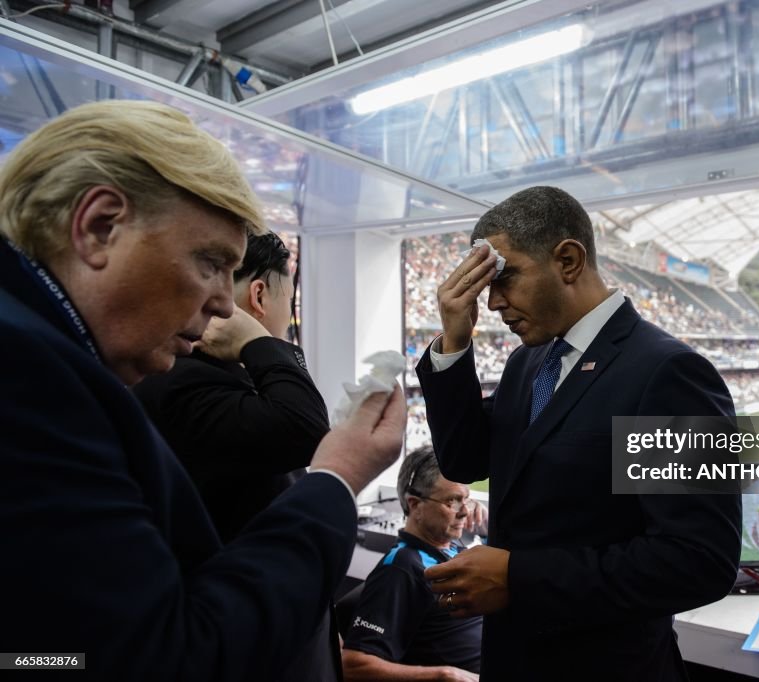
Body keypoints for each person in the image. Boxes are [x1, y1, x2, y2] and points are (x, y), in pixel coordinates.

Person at [0, 100, 404, 681]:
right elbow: (159, 660)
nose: (223, 302)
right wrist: (336, 480)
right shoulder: (27, 375)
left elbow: (61, 655)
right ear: (99, 226)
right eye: (211, 261)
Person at [415, 186, 742, 680]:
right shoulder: (528, 362)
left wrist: (518, 578)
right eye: (486, 288)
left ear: (568, 260)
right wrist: (454, 343)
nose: (495, 303)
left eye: (504, 278)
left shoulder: (669, 372)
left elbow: (698, 560)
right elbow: (464, 460)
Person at [133, 230, 337, 681]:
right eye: (291, 302)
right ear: (261, 295)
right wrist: (259, 340)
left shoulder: (223, 378)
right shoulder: (189, 378)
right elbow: (305, 429)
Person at [342, 447, 484, 681]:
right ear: (415, 505)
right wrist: (445, 675)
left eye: (466, 500)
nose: (464, 513)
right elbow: (354, 665)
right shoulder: (401, 570)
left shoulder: (454, 545)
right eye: (453, 501)